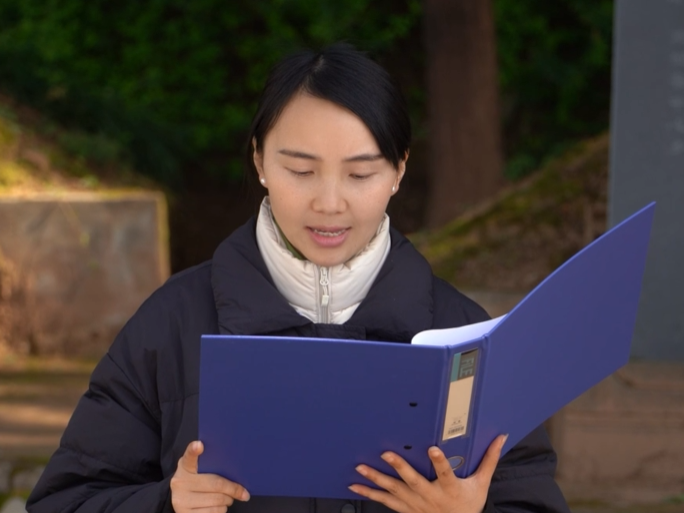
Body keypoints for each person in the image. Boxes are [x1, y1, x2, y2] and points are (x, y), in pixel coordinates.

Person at [27, 44, 570, 513]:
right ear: (260, 160)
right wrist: (168, 503)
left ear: (399, 170)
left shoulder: (466, 337)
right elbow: (64, 501)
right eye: (301, 170)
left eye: (360, 173)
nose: (329, 203)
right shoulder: (171, 324)